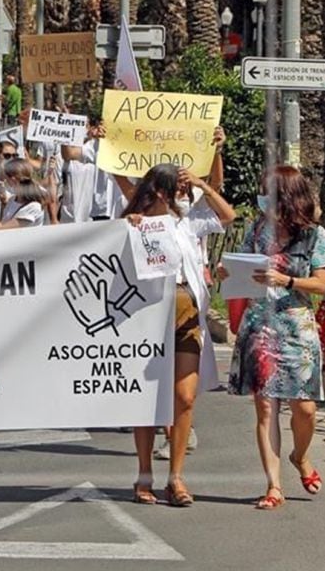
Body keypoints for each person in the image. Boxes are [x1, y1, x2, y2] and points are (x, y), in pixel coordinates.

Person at [120, 164, 235, 507]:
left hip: (186, 316)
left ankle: (176, 477)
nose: (185, 194)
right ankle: (144, 476)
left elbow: (228, 216)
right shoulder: (132, 224)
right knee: (147, 401)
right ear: (160, 191)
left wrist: (204, 184)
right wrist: (127, 228)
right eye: (179, 188)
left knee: (184, 397)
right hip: (146, 321)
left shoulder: (188, 221)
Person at [223, 167, 325, 510]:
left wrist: (285, 279)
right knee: (266, 410)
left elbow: (321, 284)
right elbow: (238, 264)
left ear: (287, 197)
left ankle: (300, 456)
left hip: (296, 327)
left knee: (305, 409)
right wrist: (233, 273)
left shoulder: (314, 236)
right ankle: (273, 487)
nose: (262, 199)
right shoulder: (257, 229)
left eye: (268, 193)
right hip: (260, 326)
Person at [0, 158, 49, 229]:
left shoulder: (33, 207)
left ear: (13, 179)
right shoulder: (12, 199)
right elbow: (3, 223)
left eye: (6, 178)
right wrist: (4, 203)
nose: (5, 181)